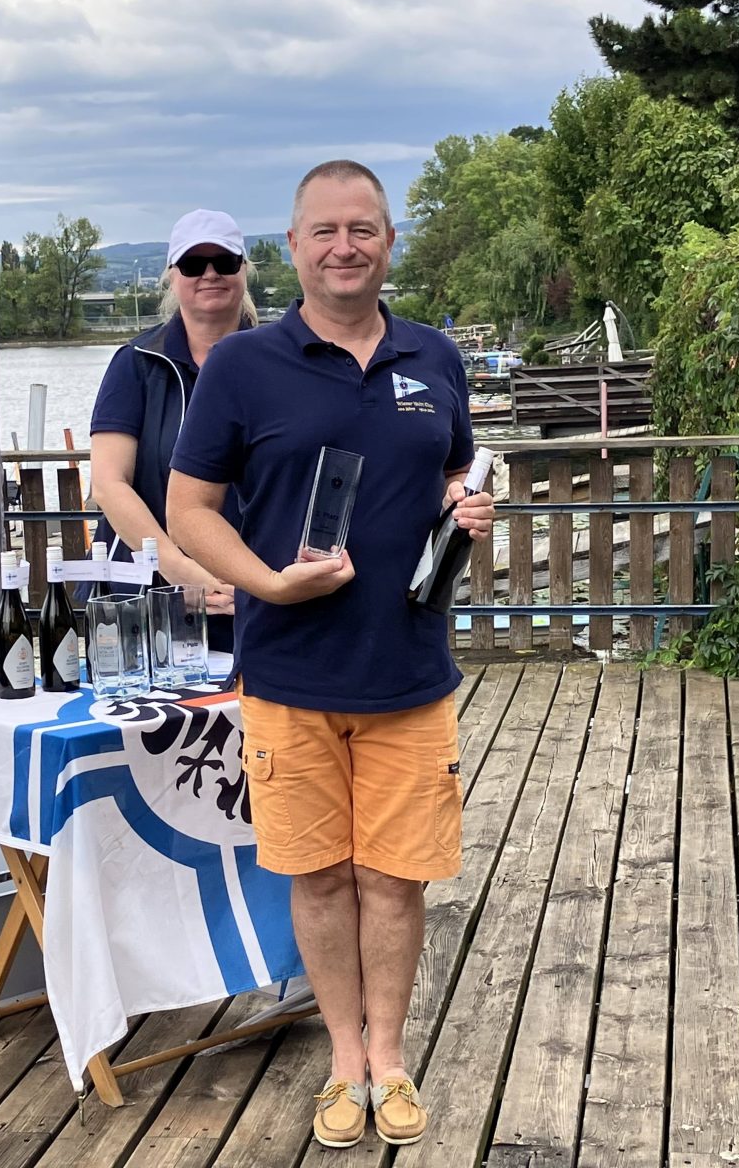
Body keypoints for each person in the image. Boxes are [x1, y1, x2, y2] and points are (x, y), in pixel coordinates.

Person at [165, 162, 494, 1147]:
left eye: (363, 229)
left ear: (389, 241)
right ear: (294, 247)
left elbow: (453, 470)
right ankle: (343, 1061)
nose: (344, 247)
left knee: (394, 880)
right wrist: (266, 585)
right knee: (316, 878)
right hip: (289, 675)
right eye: (325, 231)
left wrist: (466, 506)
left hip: (409, 673)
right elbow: (189, 509)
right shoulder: (241, 366)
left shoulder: (435, 356)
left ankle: (388, 1057)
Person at [86, 209, 256, 651]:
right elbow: (109, 484)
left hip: (253, 597)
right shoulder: (136, 364)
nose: (210, 274)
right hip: (147, 602)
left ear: (244, 270)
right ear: (172, 276)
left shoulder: (281, 365)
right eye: (194, 264)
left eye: (224, 262)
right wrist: (180, 570)